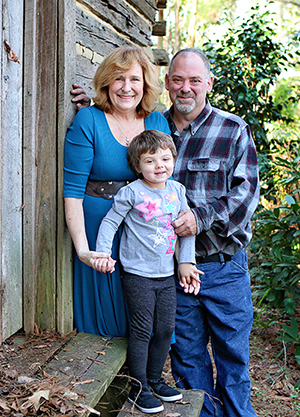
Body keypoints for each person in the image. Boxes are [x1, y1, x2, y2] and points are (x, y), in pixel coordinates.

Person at [71, 47, 260, 417]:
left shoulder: (231, 129)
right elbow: (118, 131)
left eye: (194, 80)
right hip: (165, 267)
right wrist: (89, 106)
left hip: (221, 265)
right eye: (177, 79)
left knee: (233, 356)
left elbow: (245, 196)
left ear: (208, 82)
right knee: (186, 355)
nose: (185, 87)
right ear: (168, 85)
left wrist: (200, 219)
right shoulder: (155, 125)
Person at [63, 45, 171, 338]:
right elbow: (72, 191)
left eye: (134, 79)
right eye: (118, 79)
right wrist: (85, 250)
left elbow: (166, 182)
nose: (126, 88)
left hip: (145, 230)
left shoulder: (158, 122)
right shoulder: (89, 120)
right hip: (100, 228)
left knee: (148, 318)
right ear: (106, 83)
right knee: (107, 323)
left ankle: (144, 379)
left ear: (145, 84)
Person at [95, 129, 202, 413]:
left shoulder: (177, 191)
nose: (159, 166)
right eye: (150, 161)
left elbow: (186, 232)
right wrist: (103, 252)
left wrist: (185, 262)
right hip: (138, 274)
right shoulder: (131, 192)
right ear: (138, 165)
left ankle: (154, 379)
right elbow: (109, 223)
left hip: (166, 274)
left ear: (174, 160)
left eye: (165, 159)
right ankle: (138, 386)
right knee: (143, 330)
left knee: (165, 329)